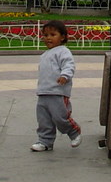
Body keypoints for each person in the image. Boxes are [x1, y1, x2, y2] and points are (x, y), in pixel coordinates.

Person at [31, 20, 82, 152]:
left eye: (52, 35)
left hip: (58, 92)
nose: (48, 38)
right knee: (44, 120)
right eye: (45, 35)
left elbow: (69, 65)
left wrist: (65, 75)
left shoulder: (63, 51)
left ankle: (74, 132)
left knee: (60, 117)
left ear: (63, 37)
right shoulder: (44, 55)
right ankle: (45, 141)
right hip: (43, 93)